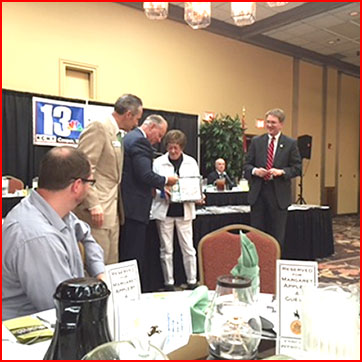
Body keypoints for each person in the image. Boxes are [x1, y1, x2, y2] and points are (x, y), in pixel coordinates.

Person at [2, 147, 105, 320]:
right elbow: (62, 307)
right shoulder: (38, 237)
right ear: (77, 186)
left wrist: (100, 273)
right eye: (90, 183)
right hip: (32, 334)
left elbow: (86, 235)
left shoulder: (57, 211)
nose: (90, 189)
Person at [74, 94, 143, 265]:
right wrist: (93, 203)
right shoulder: (99, 127)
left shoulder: (116, 134)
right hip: (97, 210)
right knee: (96, 264)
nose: (137, 124)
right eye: (137, 119)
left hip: (112, 211)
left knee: (110, 264)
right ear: (128, 114)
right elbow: (84, 167)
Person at [120, 115, 178, 291]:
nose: (159, 140)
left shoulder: (128, 137)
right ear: (152, 126)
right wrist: (166, 180)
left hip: (127, 205)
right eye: (159, 135)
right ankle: (133, 293)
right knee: (133, 256)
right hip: (135, 208)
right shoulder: (140, 142)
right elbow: (144, 175)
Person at [151, 130, 202, 291]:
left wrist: (198, 195)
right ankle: (169, 283)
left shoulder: (191, 162)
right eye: (170, 148)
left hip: (185, 211)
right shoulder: (158, 162)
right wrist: (161, 190)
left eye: (176, 148)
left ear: (182, 148)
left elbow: (196, 184)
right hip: (164, 211)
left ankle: (192, 280)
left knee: (188, 248)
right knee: (166, 249)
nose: (173, 151)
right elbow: (152, 185)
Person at [243, 108, 301, 250]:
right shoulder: (257, 141)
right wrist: (255, 171)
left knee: (276, 235)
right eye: (267, 122)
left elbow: (297, 168)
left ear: (281, 124)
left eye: (273, 123)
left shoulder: (290, 143)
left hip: (278, 196)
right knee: (257, 235)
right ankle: (257, 267)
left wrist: (281, 172)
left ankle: (273, 266)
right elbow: (246, 165)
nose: (269, 125)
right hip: (258, 194)